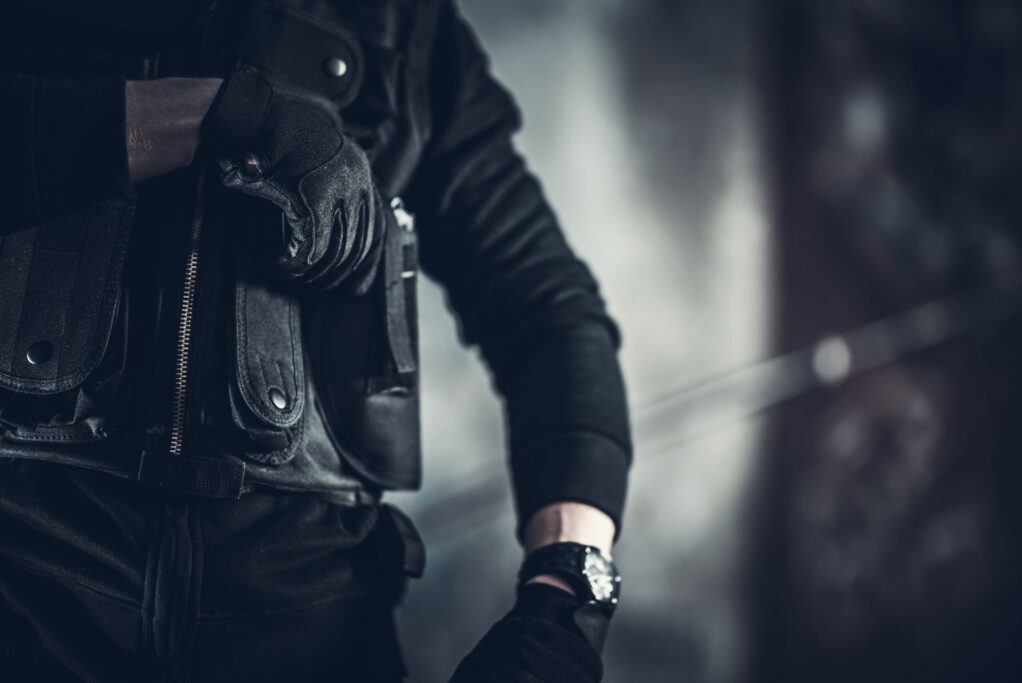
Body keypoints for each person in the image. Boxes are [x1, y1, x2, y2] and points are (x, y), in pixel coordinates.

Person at [0, 1, 632, 681]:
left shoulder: (402, 28)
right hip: (27, 591)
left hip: (315, 629)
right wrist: (219, 117)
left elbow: (547, 308)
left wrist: (568, 596)